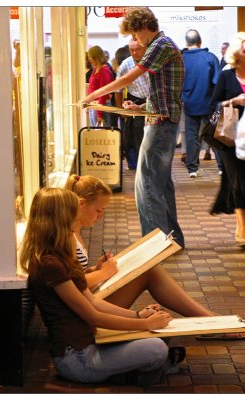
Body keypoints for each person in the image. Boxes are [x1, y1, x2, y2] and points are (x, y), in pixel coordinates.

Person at [19, 187, 185, 385]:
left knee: (158, 338)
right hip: (77, 359)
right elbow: (92, 315)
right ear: (62, 218)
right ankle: (134, 374)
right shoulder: (49, 264)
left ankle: (139, 371)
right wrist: (145, 325)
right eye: (74, 213)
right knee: (156, 347)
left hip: (90, 343)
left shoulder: (63, 255)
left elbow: (93, 301)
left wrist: (138, 316)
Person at [64, 174, 245, 341]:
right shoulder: (68, 236)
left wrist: (94, 270)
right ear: (81, 204)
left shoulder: (75, 232)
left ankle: (210, 321)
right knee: (150, 273)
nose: (101, 216)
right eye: (98, 210)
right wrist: (105, 274)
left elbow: (74, 275)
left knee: (150, 270)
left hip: (86, 302)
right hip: (83, 311)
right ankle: (211, 322)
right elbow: (71, 285)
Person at [81, 7, 185, 248]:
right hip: (161, 119)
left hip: (161, 123)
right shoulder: (163, 44)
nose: (135, 41)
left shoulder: (160, 44)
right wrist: (141, 108)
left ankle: (153, 246)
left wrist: (93, 95)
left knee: (146, 185)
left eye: (135, 35)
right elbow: (165, 89)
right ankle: (172, 239)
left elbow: (129, 78)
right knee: (160, 184)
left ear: (142, 27)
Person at [210, 32, 245, 247]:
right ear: (236, 54)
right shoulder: (227, 76)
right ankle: (242, 226)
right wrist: (233, 101)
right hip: (231, 137)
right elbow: (214, 102)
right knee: (238, 180)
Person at [182, 29, 220, 178]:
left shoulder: (181, 59)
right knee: (215, 135)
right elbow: (216, 82)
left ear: (186, 42)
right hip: (208, 103)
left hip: (189, 104)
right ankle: (221, 167)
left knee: (191, 137)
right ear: (200, 41)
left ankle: (192, 169)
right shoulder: (210, 57)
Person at [115, 39, 150, 170]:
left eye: (138, 49)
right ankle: (137, 165)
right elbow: (117, 89)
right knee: (135, 137)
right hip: (134, 102)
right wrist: (120, 111)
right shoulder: (126, 64)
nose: (134, 53)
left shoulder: (152, 61)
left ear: (145, 48)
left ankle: (147, 164)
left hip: (152, 103)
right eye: (132, 50)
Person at [87, 45, 115, 126]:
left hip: (101, 106)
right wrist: (88, 104)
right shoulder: (96, 68)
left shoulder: (104, 71)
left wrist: (99, 113)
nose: (89, 60)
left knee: (102, 134)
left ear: (96, 57)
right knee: (95, 133)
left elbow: (103, 92)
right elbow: (91, 87)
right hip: (94, 105)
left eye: (91, 58)